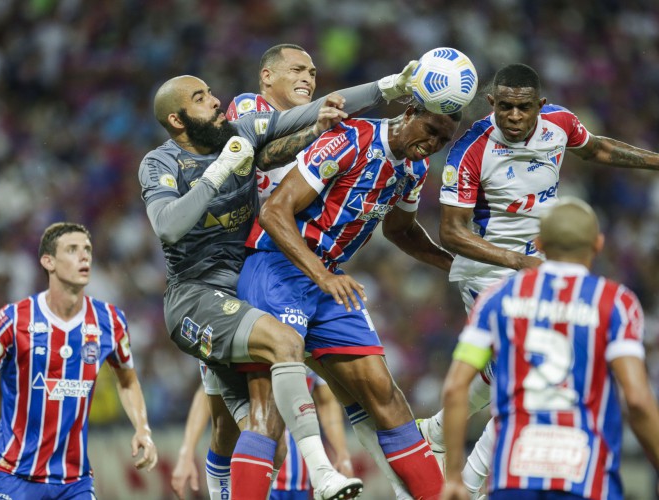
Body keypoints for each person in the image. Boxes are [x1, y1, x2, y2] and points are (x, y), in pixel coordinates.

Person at [416, 62, 659, 497]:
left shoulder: (560, 123)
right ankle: (468, 486)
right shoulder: (470, 149)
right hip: (489, 268)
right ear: (492, 103)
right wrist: (517, 263)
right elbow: (452, 232)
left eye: (524, 108)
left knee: (504, 374)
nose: (515, 117)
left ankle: (436, 432)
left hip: (533, 264)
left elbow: (598, 150)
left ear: (541, 105)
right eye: (506, 107)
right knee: (523, 378)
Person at [140, 66, 416, 499]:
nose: (215, 101)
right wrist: (219, 171)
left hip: (246, 291)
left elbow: (313, 110)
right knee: (278, 354)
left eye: (211, 91)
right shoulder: (160, 163)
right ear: (177, 119)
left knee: (263, 434)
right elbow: (168, 227)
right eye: (200, 98)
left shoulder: (241, 130)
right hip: (195, 297)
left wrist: (389, 86)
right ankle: (322, 472)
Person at [238, 103, 462, 500]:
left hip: (327, 280)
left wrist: (456, 266)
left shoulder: (413, 170)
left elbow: (402, 231)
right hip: (277, 264)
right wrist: (322, 275)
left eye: (443, 140)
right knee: (267, 414)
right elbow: (274, 211)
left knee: (385, 394)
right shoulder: (351, 139)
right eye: (430, 130)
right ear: (409, 112)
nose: (432, 144)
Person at [171, 44, 357, 500]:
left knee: (263, 420)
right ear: (266, 76)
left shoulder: (321, 136)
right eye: (297, 69)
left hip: (273, 272)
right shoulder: (247, 110)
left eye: (313, 72)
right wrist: (318, 127)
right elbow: (264, 155)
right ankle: (227, 488)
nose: (308, 78)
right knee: (227, 418)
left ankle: (312, 470)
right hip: (226, 275)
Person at [439, 197, 659, 500]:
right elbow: (636, 398)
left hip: (514, 475)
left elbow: (455, 388)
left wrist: (453, 476)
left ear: (539, 244)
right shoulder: (615, 303)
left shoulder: (497, 298)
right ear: (598, 245)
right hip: (587, 476)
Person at [0, 222, 158, 499]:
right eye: (72, 250)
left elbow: (128, 381)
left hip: (73, 483)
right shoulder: (14, 320)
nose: (84, 256)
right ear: (48, 261)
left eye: (87, 249)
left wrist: (142, 428)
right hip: (9, 475)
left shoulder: (110, 321)